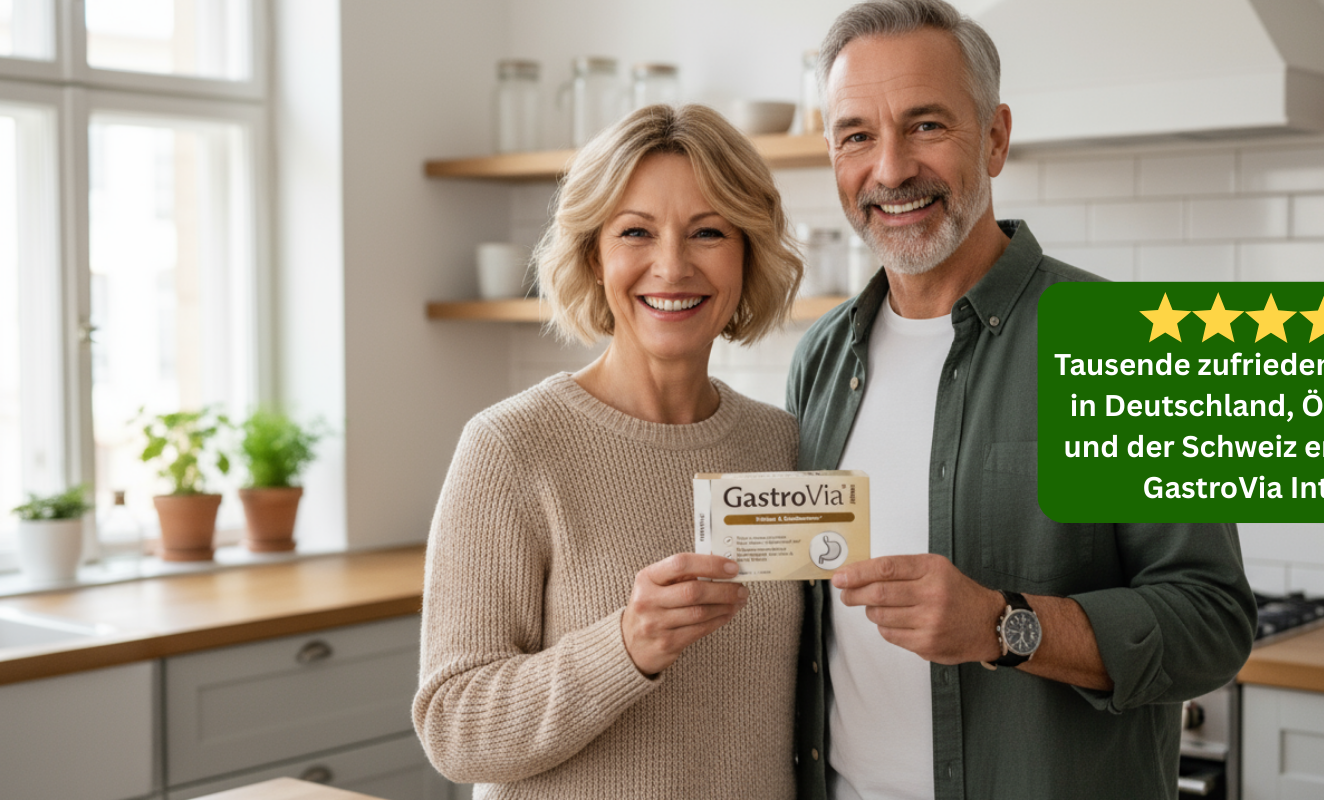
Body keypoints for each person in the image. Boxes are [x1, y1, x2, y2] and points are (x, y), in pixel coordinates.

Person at [785, 2, 1257, 799]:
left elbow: (1212, 623)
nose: (892, 169)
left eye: (927, 125)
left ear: (996, 136)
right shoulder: (820, 358)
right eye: (856, 135)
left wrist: (1004, 625)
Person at [413, 104, 804, 800]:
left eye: (708, 231)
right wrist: (625, 646)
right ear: (595, 255)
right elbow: (454, 727)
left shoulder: (780, 444)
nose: (672, 265)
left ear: (748, 252)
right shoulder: (510, 447)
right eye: (636, 232)